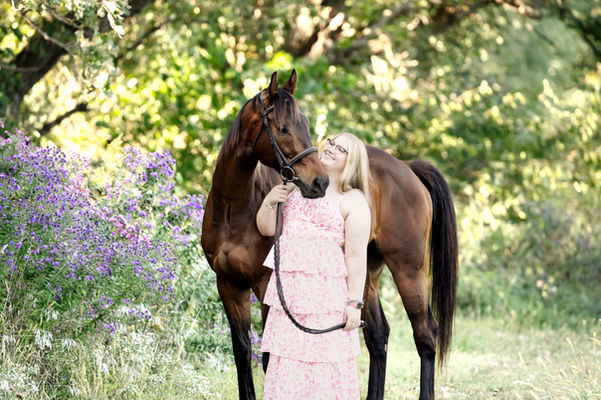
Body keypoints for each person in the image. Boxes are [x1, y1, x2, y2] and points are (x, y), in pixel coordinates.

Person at [256, 132, 372, 399]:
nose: (330, 148)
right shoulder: (297, 188)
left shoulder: (352, 200)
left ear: (351, 161)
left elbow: (355, 257)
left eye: (340, 148)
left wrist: (354, 303)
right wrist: (271, 200)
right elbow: (266, 229)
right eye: (330, 142)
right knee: (288, 357)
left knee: (326, 358)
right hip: (292, 293)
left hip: (327, 296)